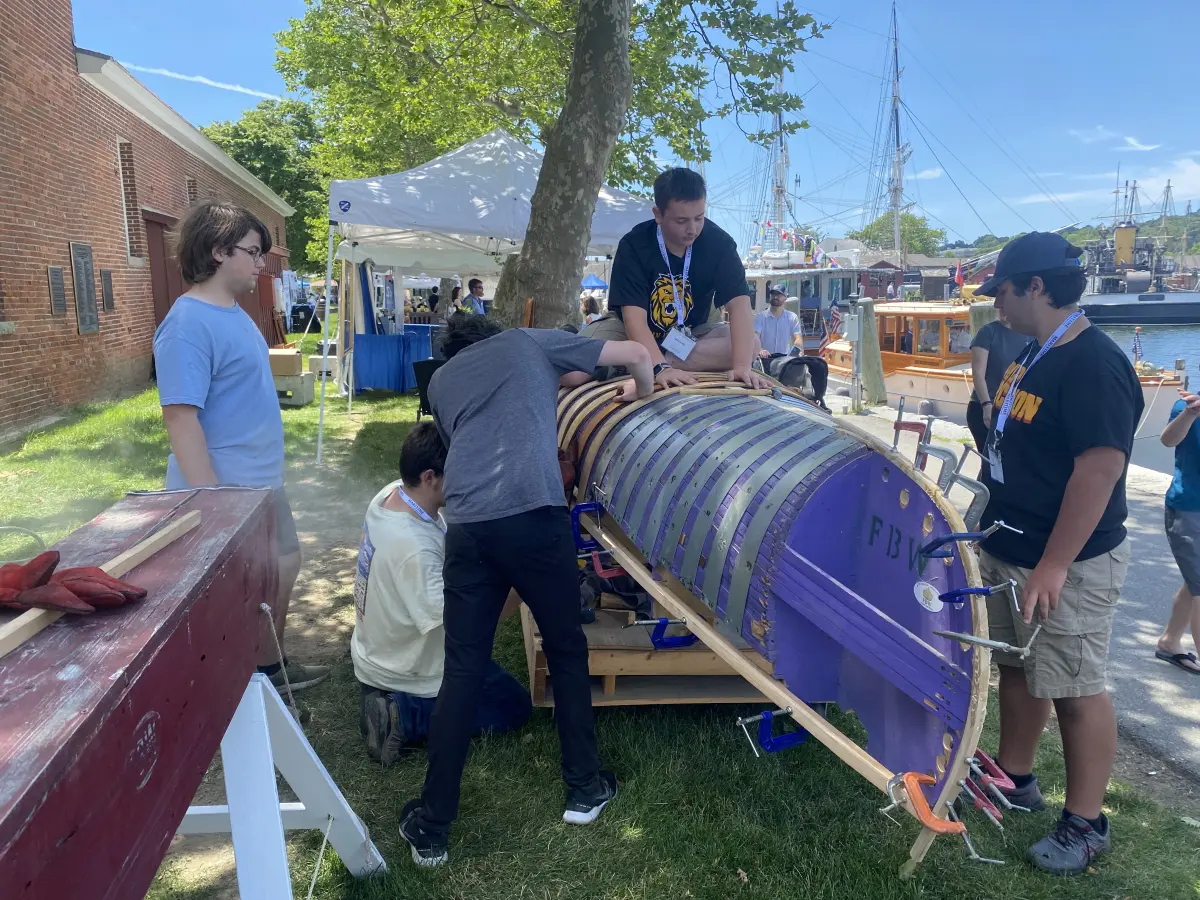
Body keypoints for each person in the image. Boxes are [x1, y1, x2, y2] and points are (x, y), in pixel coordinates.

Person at [399, 312, 655, 867]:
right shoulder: (525, 342)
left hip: (468, 526)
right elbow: (636, 354)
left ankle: (432, 825)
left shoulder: (441, 382)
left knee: (463, 667)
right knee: (565, 647)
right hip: (535, 518)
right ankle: (584, 788)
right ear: (495, 335)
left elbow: (536, 394)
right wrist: (643, 393)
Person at [974, 231, 1141, 875]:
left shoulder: (1094, 362)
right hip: (1012, 540)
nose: (999, 307)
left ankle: (1086, 821)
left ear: (1035, 286)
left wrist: (1055, 564)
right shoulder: (1034, 349)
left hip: (1064, 558)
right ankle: (1015, 776)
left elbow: (1098, 472)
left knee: (1075, 687)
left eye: (1005, 292)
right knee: (1018, 667)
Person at [152, 200, 330, 712]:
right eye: (253, 253)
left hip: (261, 483)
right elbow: (181, 419)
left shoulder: (236, 313)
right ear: (216, 251)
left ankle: (271, 669)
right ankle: (242, 690)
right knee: (246, 590)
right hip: (226, 489)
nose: (261, 264)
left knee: (283, 568)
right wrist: (212, 501)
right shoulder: (187, 323)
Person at [353, 422, 533, 764]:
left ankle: (394, 699)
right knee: (513, 707)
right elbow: (467, 623)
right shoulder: (413, 549)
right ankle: (403, 714)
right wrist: (523, 582)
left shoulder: (392, 495)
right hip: (403, 670)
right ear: (429, 477)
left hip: (377, 650)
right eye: (461, 472)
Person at [578, 168, 769, 389]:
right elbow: (633, 320)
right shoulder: (634, 245)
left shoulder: (720, 243)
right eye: (681, 221)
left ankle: (635, 363)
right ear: (658, 214)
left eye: (699, 218)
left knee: (751, 345)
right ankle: (640, 359)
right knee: (572, 373)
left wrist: (742, 368)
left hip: (692, 335)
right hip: (628, 333)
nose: (693, 229)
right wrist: (659, 369)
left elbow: (740, 306)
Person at [1156, 389, 1200, 674]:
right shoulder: (1187, 407)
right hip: (1188, 509)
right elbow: (1167, 440)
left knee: (1194, 581)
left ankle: (1170, 641)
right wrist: (1190, 413)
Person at [966, 308, 1030, 482]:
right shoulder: (988, 332)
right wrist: (987, 405)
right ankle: (982, 505)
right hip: (985, 407)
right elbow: (978, 374)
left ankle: (988, 502)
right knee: (991, 463)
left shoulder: (1029, 336)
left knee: (1007, 464)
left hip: (1014, 410)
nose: (1003, 309)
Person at [755, 287, 802, 357]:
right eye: (773, 294)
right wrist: (760, 350)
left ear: (785, 298)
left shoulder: (792, 317)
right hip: (765, 359)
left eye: (779, 295)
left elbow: (798, 339)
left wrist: (795, 353)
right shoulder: (760, 317)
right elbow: (755, 338)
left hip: (784, 360)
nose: (775, 297)